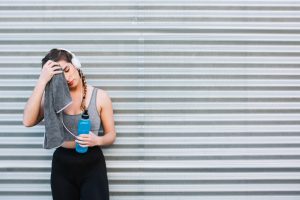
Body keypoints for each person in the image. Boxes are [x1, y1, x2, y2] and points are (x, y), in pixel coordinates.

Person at [22, 48, 116, 200]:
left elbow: (111, 135)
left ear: (75, 64)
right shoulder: (52, 99)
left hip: (92, 163)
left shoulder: (100, 96)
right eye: (60, 76)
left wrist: (97, 140)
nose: (66, 78)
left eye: (67, 69)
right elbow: (27, 121)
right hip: (62, 164)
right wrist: (42, 81)